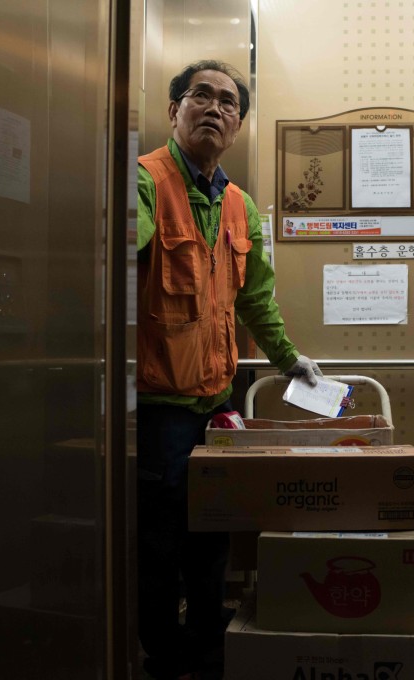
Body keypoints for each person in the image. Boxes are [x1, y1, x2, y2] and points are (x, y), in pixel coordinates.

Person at [135, 59, 322, 680]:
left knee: (212, 534)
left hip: (218, 400)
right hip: (160, 402)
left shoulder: (241, 206)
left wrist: (290, 360)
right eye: (200, 96)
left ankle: (210, 646)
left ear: (238, 125)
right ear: (174, 111)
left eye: (228, 103)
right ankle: (162, 653)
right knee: (159, 540)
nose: (214, 108)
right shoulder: (144, 183)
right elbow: (103, 269)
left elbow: (256, 299)